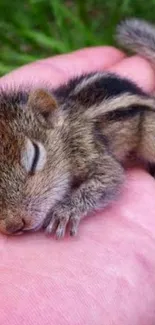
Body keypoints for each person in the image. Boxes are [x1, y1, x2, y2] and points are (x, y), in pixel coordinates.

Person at [0, 46, 155, 325]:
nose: (14, 220)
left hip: (139, 120)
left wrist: (75, 204)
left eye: (34, 160)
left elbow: (111, 176)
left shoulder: (77, 141)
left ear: (48, 115)